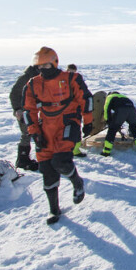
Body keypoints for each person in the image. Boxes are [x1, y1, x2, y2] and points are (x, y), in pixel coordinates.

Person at [22, 46, 94, 224]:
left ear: (54, 63)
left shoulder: (71, 79)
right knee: (46, 168)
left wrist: (89, 122)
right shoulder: (33, 84)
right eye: (39, 67)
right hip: (46, 126)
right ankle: (54, 210)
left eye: (45, 66)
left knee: (60, 161)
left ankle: (77, 182)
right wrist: (34, 132)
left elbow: (86, 99)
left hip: (68, 122)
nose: (42, 70)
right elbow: (28, 110)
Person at [10, 63, 41, 171]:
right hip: (24, 111)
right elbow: (14, 94)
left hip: (37, 109)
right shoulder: (26, 78)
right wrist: (17, 109)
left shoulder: (43, 76)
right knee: (26, 133)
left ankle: (43, 157)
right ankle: (22, 159)